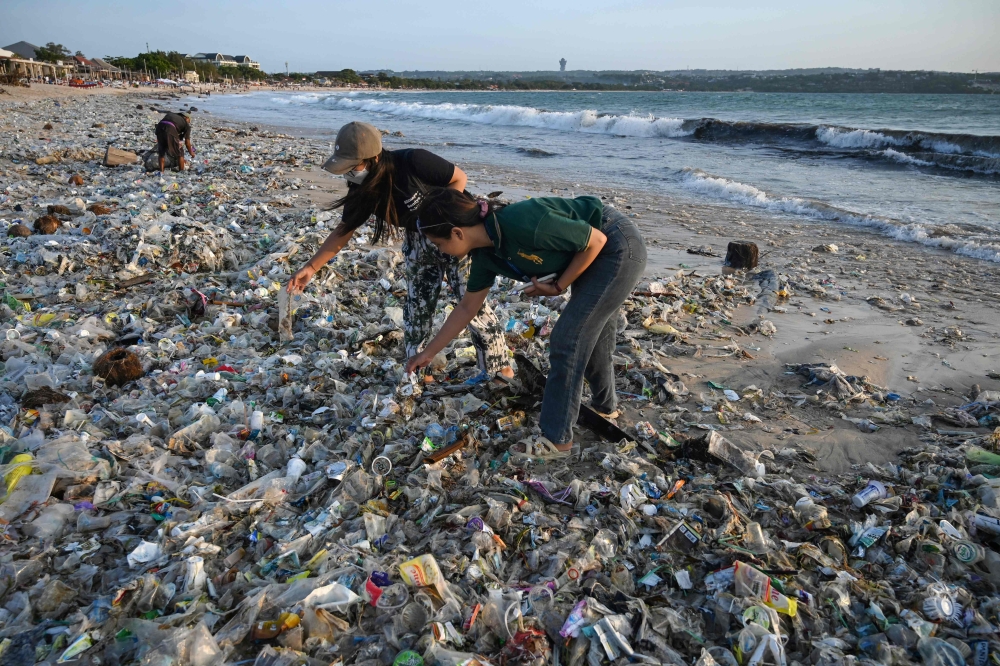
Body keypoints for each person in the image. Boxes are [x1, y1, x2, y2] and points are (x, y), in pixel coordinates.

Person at [404, 189, 647, 458]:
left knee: (567, 340)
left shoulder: (521, 220)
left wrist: (558, 286)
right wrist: (428, 353)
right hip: (591, 254)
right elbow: (467, 307)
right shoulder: (485, 255)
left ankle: (557, 440)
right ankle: (605, 407)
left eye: (439, 244)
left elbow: (597, 240)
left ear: (457, 233)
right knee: (591, 332)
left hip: (616, 245)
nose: (442, 252)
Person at [287, 122, 511, 382]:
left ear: (373, 158)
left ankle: (498, 370)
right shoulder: (363, 188)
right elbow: (344, 229)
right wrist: (311, 268)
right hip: (418, 241)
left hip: (456, 233)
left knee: (472, 305)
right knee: (417, 309)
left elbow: (459, 177)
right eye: (344, 169)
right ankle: (417, 372)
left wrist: (441, 219)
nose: (348, 174)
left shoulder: (413, 162)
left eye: (352, 167)